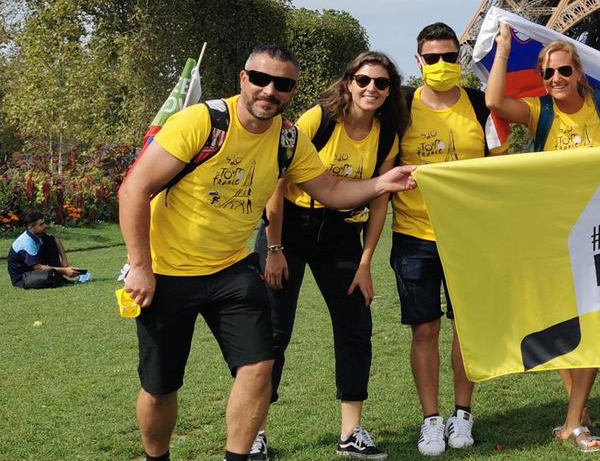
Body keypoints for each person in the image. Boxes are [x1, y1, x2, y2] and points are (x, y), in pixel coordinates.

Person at [117, 45, 417, 461]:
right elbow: (134, 189)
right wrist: (140, 266)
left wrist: (383, 184)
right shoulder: (201, 122)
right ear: (243, 78)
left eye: (282, 84)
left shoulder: (288, 138)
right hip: (168, 271)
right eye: (260, 79)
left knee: (259, 365)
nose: (269, 90)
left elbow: (331, 191)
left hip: (232, 269)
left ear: (292, 91)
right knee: (160, 386)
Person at [254, 51, 409, 460]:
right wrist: (273, 247)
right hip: (288, 225)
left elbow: (380, 199)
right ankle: (255, 431)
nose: (371, 89)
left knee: (356, 327)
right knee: (273, 331)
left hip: (342, 232)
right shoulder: (318, 119)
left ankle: (351, 431)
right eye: (363, 80)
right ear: (348, 82)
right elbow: (277, 181)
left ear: (390, 90)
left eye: (381, 83)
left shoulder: (387, 133)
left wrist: (365, 263)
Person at [486, 27, 600, 452]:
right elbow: (493, 102)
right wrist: (503, 48)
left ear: (579, 73)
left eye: (563, 70)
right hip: (553, 234)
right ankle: (579, 416)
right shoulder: (540, 112)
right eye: (548, 72)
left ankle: (574, 420)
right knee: (564, 327)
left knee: (591, 326)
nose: (555, 77)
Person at [391, 23, 506, 457]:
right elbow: (384, 168)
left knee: (466, 328)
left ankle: (463, 413)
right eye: (432, 58)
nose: (441, 65)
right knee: (424, 328)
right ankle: (431, 421)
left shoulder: (480, 107)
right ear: (418, 61)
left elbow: (500, 168)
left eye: (449, 57)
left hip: (469, 235)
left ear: (460, 58)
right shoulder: (400, 107)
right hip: (414, 234)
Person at [7, 213, 84, 288]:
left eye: (44, 223)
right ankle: (58, 277)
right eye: (41, 224)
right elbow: (38, 268)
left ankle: (58, 276)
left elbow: (56, 240)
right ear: (30, 227)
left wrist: (64, 261)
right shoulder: (27, 243)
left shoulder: (37, 234)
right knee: (50, 277)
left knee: (50, 242)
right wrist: (64, 271)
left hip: (32, 269)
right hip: (23, 278)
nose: (45, 226)